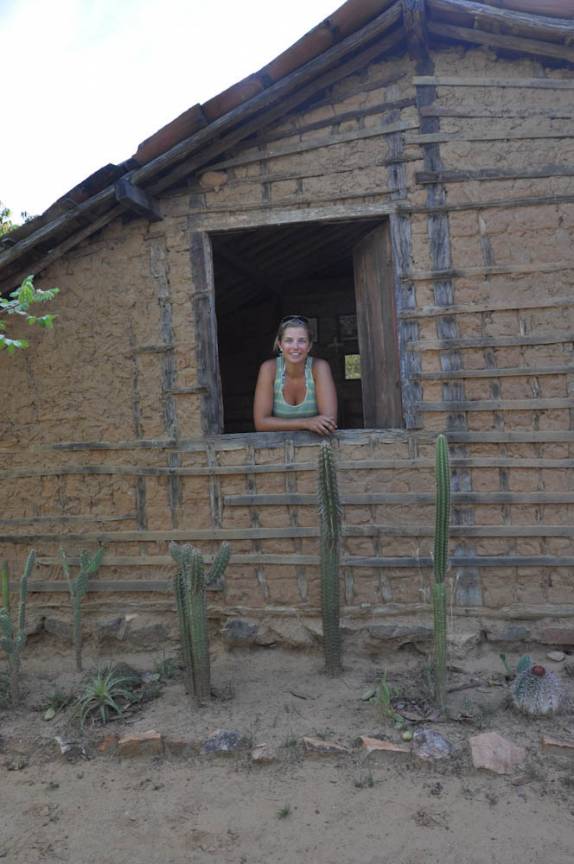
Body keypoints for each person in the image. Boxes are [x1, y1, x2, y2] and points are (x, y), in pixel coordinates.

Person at [253, 315, 337, 435]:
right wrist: (306, 423)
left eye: (302, 341)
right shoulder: (269, 369)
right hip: (277, 447)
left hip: (317, 445)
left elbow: (329, 422)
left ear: (309, 346)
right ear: (280, 345)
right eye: (289, 340)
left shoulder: (319, 367)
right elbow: (261, 423)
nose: (295, 347)